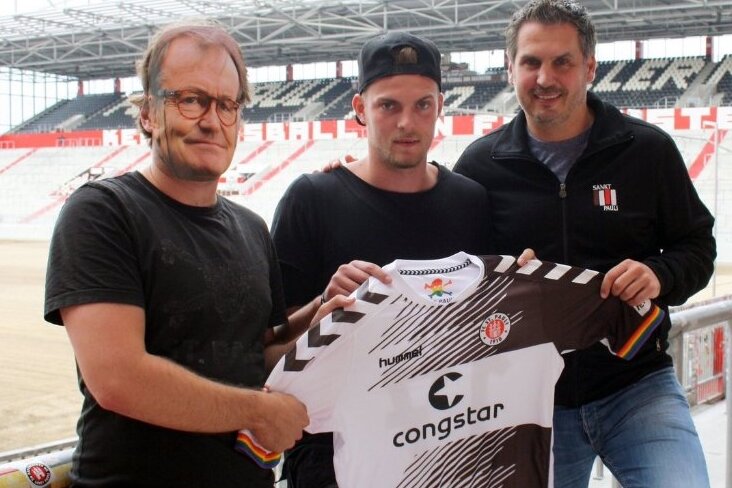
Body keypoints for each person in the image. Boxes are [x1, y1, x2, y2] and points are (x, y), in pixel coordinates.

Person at [43, 20, 340, 487]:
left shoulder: (252, 228)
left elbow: (253, 356)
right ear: (148, 113)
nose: (211, 121)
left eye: (227, 105)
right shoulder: (103, 211)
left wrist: (323, 316)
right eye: (191, 99)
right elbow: (118, 379)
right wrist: (259, 411)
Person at [453, 1, 716, 487]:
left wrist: (658, 275)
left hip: (637, 386)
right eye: (531, 62)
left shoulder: (647, 150)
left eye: (563, 62)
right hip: (528, 402)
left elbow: (697, 247)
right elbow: (454, 277)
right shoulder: (479, 165)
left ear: (590, 68)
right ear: (510, 68)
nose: (545, 78)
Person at [270, 32, 533, 488]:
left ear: (440, 106)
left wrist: (518, 286)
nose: (407, 123)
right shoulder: (311, 199)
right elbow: (270, 340)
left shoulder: (470, 201)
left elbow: (485, 322)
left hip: (446, 439)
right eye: (388, 106)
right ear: (359, 108)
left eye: (422, 105)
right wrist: (322, 308)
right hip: (334, 453)